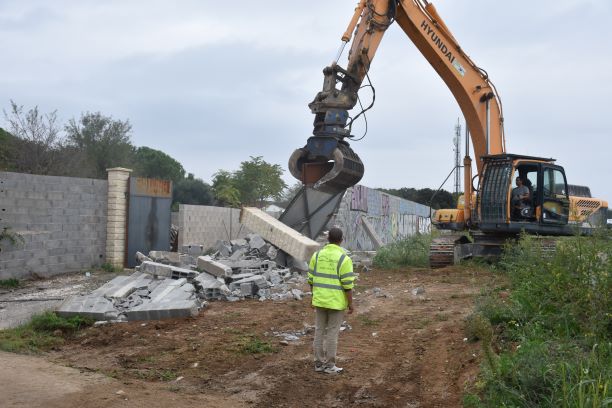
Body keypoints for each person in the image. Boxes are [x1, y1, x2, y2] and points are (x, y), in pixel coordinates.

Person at [307, 227, 355, 374]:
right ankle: (329, 366)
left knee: (319, 331)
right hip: (335, 303)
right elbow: (348, 285)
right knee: (332, 333)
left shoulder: (317, 255)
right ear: (341, 240)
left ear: (328, 240)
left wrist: (314, 295)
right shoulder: (344, 259)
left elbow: (311, 279)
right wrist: (350, 304)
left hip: (320, 300)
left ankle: (318, 363)